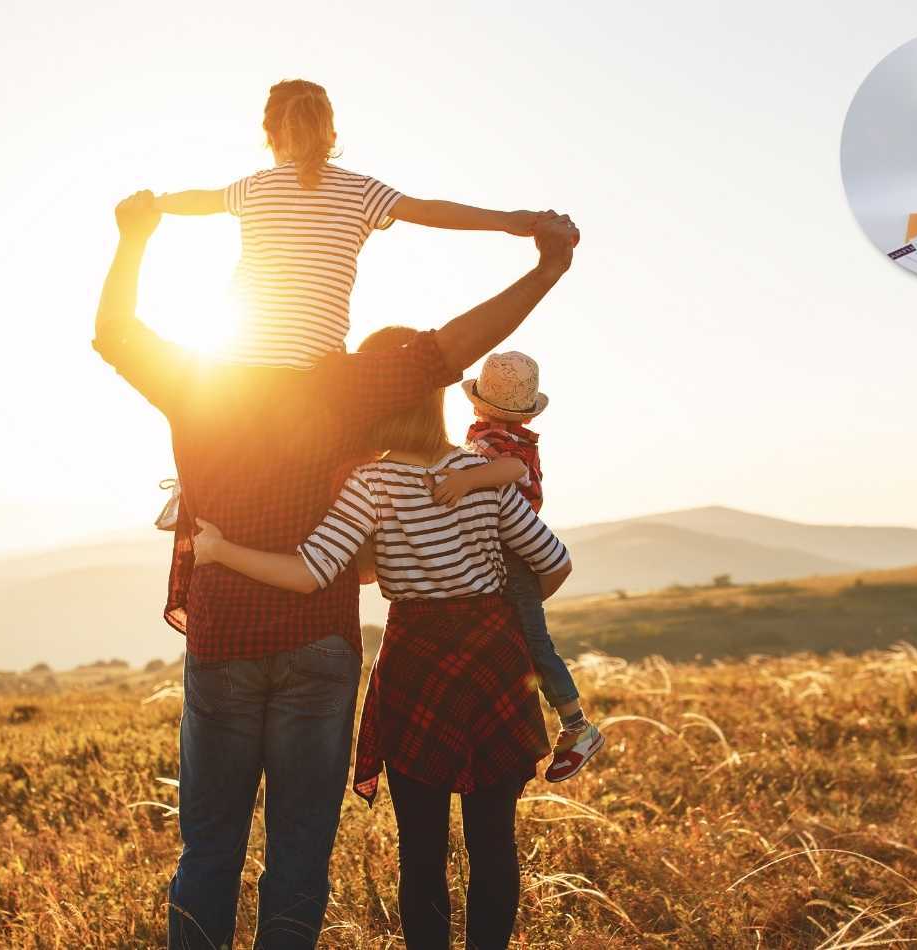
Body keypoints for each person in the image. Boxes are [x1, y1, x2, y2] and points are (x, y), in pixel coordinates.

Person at [93, 190, 578, 949]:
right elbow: (450, 352)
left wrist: (134, 237)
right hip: (332, 647)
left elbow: (115, 332)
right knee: (300, 854)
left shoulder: (199, 382)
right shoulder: (351, 392)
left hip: (226, 638)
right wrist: (546, 267)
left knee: (211, 846)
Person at [190, 326, 573, 948]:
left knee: (422, 848)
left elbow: (309, 573)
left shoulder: (371, 483)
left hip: (418, 661)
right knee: (494, 842)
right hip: (495, 659)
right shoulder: (483, 474)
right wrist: (500, 611)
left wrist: (221, 549)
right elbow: (554, 560)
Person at [155, 78, 545, 368]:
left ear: (270, 135)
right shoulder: (360, 191)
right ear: (331, 135)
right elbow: (429, 211)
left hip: (237, 362)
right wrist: (507, 221)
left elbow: (199, 200)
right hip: (316, 369)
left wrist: (154, 204)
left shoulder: (255, 187)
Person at [431, 350, 603, 781]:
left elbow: (509, 470)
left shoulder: (502, 445)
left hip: (512, 551)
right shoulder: (500, 436)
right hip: (506, 551)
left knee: (534, 643)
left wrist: (466, 480)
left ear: (477, 402)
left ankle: (577, 726)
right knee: (516, 641)